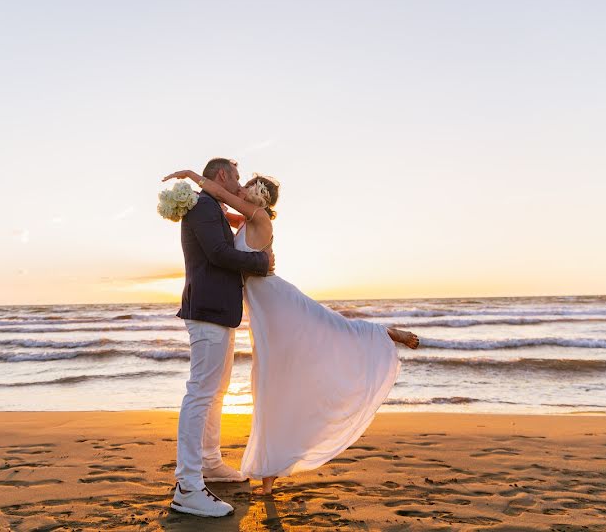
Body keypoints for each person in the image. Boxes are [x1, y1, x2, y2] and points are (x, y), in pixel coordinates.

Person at [162, 167, 419, 496]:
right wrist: (195, 200)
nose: (240, 187)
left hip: (277, 302)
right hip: (263, 313)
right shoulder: (247, 218)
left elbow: (223, 197)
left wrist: (193, 176)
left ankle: (384, 334)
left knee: (331, 327)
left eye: (248, 185)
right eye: (239, 182)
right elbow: (219, 211)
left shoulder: (257, 216)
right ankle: (268, 474)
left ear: (259, 195)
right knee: (271, 383)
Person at [169, 157, 275, 517]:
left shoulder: (212, 206)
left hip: (220, 313)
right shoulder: (202, 207)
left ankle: (211, 463)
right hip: (208, 312)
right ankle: (187, 486)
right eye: (237, 176)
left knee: (216, 393)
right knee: (200, 393)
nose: (239, 182)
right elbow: (217, 254)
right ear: (223, 175)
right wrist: (262, 263)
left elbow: (239, 227)